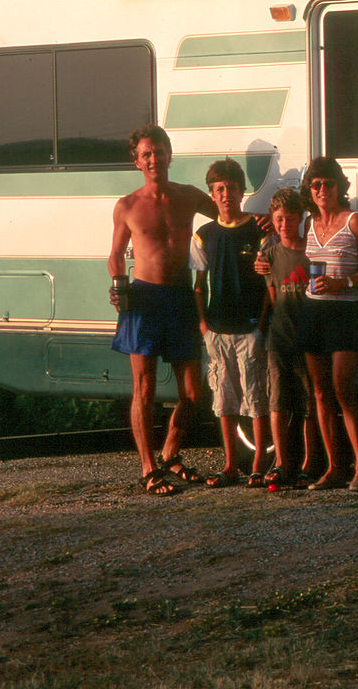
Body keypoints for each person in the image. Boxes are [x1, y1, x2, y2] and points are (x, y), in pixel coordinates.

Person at [109, 124, 218, 496]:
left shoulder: (189, 197)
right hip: (143, 299)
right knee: (144, 389)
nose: (154, 159)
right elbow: (114, 256)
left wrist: (259, 220)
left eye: (159, 151)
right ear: (137, 162)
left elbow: (226, 213)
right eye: (146, 154)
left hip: (180, 297)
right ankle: (148, 467)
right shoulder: (126, 205)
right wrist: (118, 286)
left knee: (192, 391)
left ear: (170, 154)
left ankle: (170, 453)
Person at [299, 156, 358, 491]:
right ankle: (334, 469)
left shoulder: (354, 221)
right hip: (312, 312)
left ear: (339, 186)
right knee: (319, 393)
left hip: (345, 313)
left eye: (327, 184)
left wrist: (343, 282)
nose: (321, 190)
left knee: (343, 390)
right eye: (315, 184)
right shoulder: (308, 224)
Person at [191, 158, 270, 488]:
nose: (226, 195)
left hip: (250, 328)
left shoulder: (259, 229)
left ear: (242, 191)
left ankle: (258, 463)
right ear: (212, 194)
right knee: (224, 399)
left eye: (232, 188)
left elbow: (270, 286)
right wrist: (203, 324)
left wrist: (261, 325)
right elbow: (198, 285)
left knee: (255, 397)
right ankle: (230, 464)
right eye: (219, 189)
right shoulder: (204, 234)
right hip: (218, 329)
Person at [257, 186, 322, 487]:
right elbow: (273, 299)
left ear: (301, 219)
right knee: (278, 401)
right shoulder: (269, 255)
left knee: (308, 403)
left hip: (308, 336)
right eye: (280, 219)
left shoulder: (310, 252)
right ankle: (282, 461)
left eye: (291, 219)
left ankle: (309, 462)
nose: (285, 225)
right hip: (279, 339)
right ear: (272, 219)